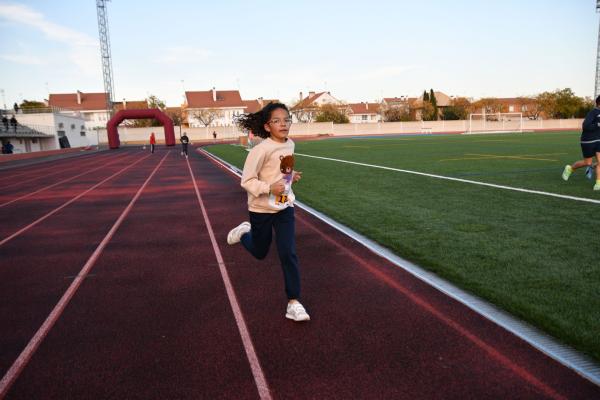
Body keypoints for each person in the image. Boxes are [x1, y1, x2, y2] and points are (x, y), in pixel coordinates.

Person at [227, 102, 309, 322]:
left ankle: (294, 302)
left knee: (288, 252)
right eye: (277, 120)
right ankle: (245, 232)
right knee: (260, 251)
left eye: (287, 119)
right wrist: (268, 188)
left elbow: (282, 172)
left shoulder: (290, 144)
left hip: (284, 206)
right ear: (267, 126)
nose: (283, 124)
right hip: (261, 209)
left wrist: (291, 178)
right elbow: (247, 180)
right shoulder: (260, 150)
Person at [562, 95, 600, 191]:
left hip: (598, 141)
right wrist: (598, 124)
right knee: (588, 162)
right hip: (588, 141)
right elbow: (585, 126)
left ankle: (598, 183)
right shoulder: (593, 113)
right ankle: (570, 168)